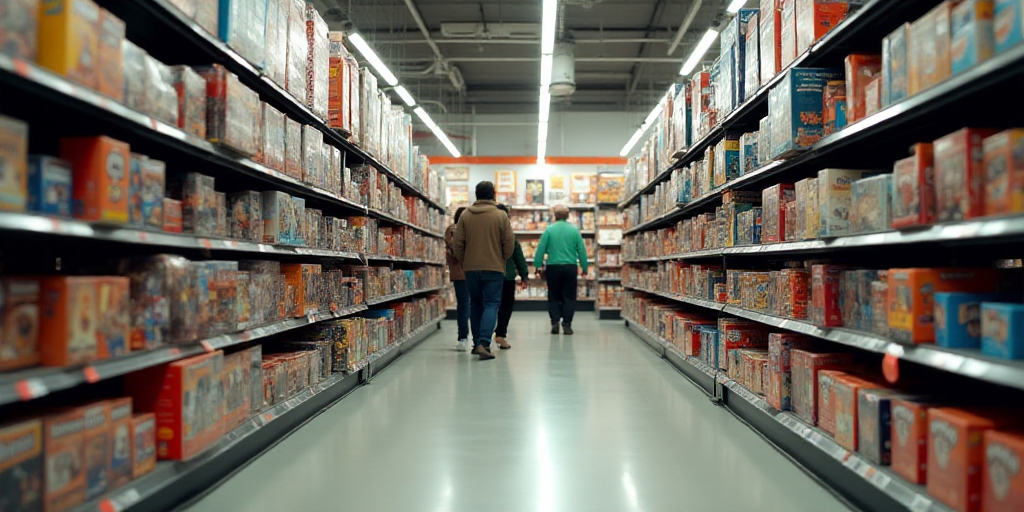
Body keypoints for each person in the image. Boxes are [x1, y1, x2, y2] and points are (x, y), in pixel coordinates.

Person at [453, 181, 515, 360]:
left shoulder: (465, 215)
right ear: (493, 194)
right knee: (491, 304)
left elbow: (458, 243)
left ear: (476, 194)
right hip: (494, 267)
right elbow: (509, 243)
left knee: (476, 304)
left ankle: (476, 342)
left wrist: (465, 260)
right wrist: (501, 257)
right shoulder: (501, 216)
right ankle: (484, 343)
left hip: (471, 268)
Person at [533, 204, 588, 335]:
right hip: (570, 267)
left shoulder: (549, 230)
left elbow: (541, 248)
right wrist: (584, 267)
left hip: (553, 267)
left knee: (553, 295)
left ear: (555, 216)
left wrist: (537, 265)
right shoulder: (574, 231)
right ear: (567, 216)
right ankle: (567, 324)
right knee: (569, 296)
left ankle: (555, 322)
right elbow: (581, 250)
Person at [494, 204, 529, 350]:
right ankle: (500, 335)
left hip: (487, 274)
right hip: (506, 276)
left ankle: (481, 338)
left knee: (487, 305)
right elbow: (518, 256)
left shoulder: (484, 234)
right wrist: (524, 275)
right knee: (506, 307)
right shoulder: (510, 236)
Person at [445, 207, 470, 351]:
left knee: (466, 304)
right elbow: (455, 250)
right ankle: (463, 337)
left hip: (464, 272)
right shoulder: (454, 230)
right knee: (464, 304)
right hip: (462, 272)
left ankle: (466, 337)